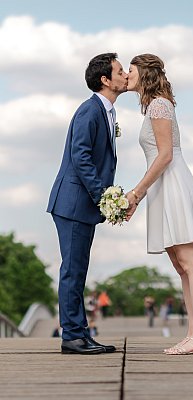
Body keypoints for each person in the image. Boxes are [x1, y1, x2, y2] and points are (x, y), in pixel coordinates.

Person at [126, 54, 193, 355]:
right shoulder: (152, 106)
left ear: (144, 75)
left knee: (190, 260)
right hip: (163, 186)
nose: (126, 74)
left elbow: (165, 156)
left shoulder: (159, 105)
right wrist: (142, 197)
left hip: (173, 183)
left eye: (131, 70)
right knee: (180, 263)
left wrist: (136, 192)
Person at [47, 53, 128, 355]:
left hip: (81, 205)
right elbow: (80, 157)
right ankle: (72, 337)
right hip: (72, 204)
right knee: (73, 271)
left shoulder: (107, 111)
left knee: (78, 271)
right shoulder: (90, 111)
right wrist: (103, 196)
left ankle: (81, 334)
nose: (125, 76)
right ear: (105, 80)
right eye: (120, 71)